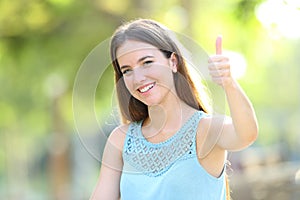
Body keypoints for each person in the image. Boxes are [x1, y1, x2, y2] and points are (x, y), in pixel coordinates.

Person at [90, 19, 258, 200]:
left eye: (147, 62)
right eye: (127, 70)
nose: (138, 78)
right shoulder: (121, 140)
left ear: (173, 62)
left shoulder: (206, 130)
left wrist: (229, 83)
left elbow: (246, 134)